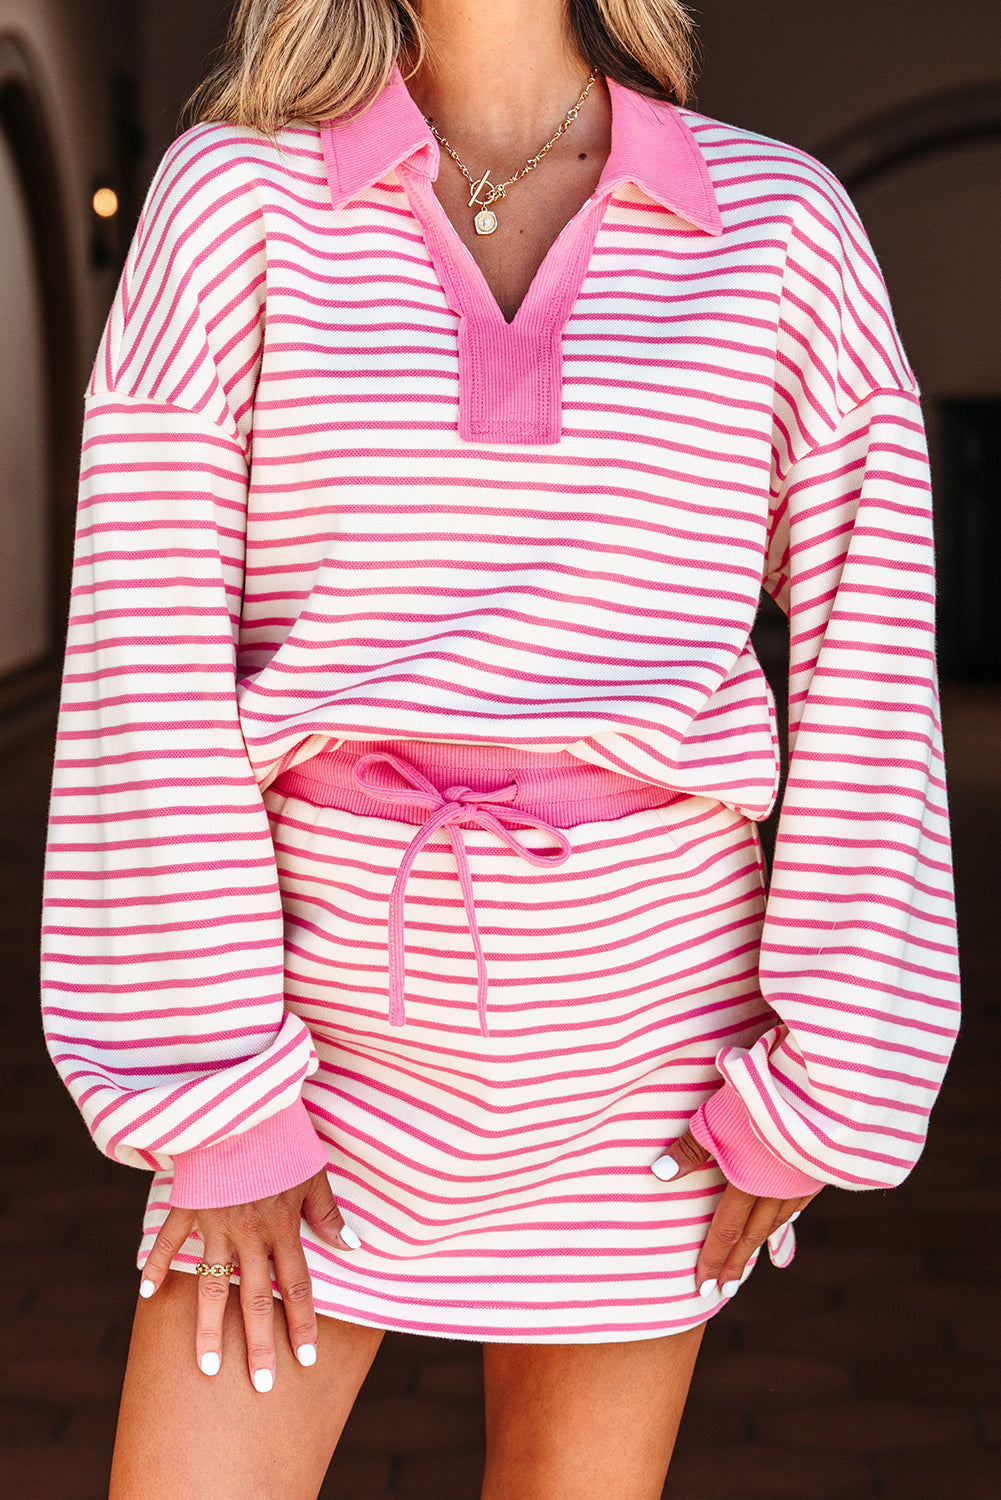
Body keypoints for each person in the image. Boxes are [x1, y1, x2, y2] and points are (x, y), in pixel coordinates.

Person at [41, 1, 960, 1495]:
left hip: (648, 1051)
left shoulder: (780, 222)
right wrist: (209, 1091)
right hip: (309, 1030)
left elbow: (874, 660)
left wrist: (836, 1081)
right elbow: (142, 654)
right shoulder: (233, 199)